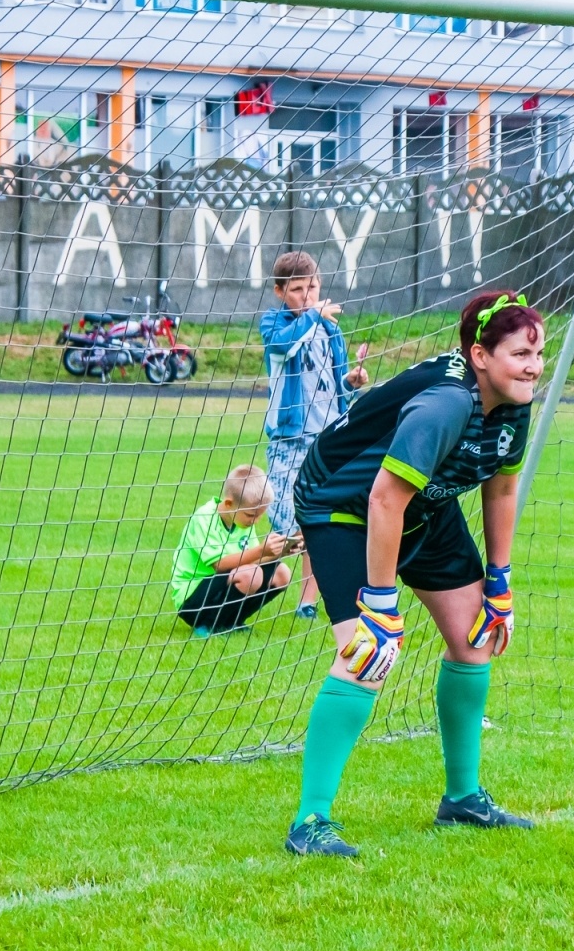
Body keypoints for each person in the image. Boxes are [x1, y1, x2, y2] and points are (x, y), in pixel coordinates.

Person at [283, 290, 544, 858]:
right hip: (343, 506)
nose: (533, 366)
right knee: (367, 654)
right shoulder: (444, 406)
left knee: (476, 638)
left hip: (421, 504)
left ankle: (463, 799)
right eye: (521, 353)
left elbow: (501, 485)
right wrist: (378, 602)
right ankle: (310, 821)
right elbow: (381, 499)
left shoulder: (515, 401)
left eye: (537, 353)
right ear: (480, 356)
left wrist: (498, 581)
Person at [260, 250, 369, 620]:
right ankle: (248, 577)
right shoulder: (273, 324)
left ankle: (307, 602)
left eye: (313, 288)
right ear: (279, 292)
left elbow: (334, 386)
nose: (308, 296)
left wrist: (351, 383)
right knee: (284, 515)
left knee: (317, 518)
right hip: (289, 437)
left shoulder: (331, 330)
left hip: (327, 438)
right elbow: (284, 347)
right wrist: (312, 315)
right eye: (297, 290)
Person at [170, 464, 295, 638]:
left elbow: (250, 561)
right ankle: (206, 624)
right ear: (229, 503)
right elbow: (220, 565)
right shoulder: (204, 518)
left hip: (223, 585)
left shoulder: (240, 520)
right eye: (252, 515)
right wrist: (261, 550)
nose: (256, 521)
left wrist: (278, 553)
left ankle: (232, 622)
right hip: (192, 599)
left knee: (281, 573)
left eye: (260, 515)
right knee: (250, 575)